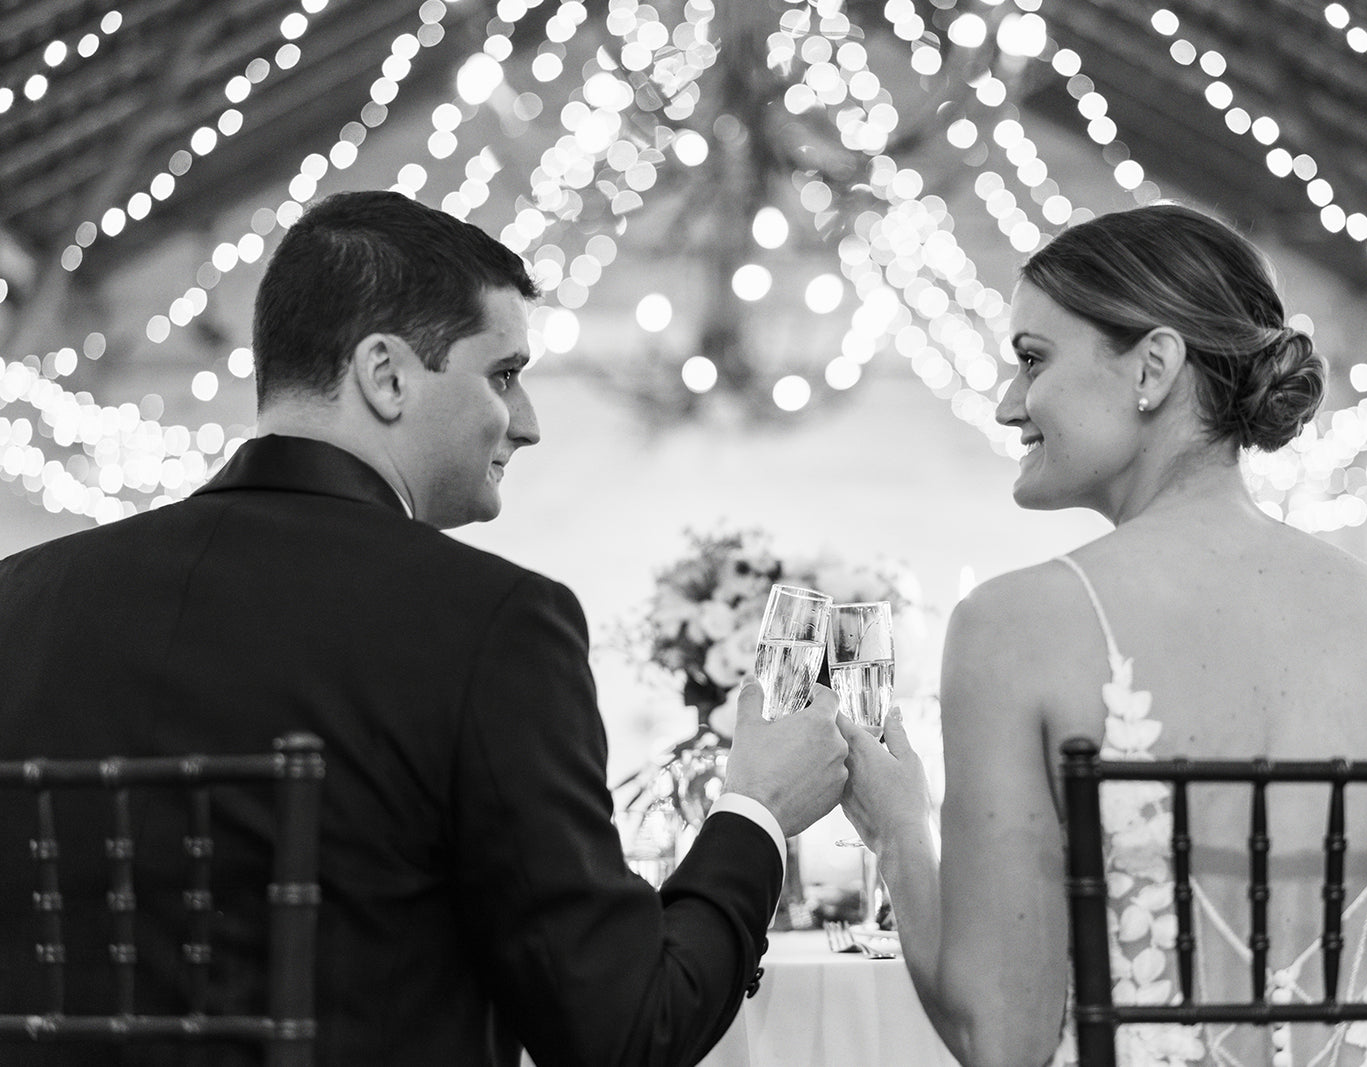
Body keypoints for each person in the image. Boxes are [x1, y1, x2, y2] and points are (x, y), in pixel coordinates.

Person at [0, 190, 848, 1066]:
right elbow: (625, 1025)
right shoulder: (491, 625)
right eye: (504, 375)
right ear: (387, 375)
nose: (529, 423)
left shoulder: (19, 602)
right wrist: (755, 809)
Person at [839, 203, 1367, 1067]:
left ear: (1153, 365)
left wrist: (897, 826)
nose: (1010, 404)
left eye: (1031, 360)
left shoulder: (1013, 629)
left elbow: (1002, 1038)